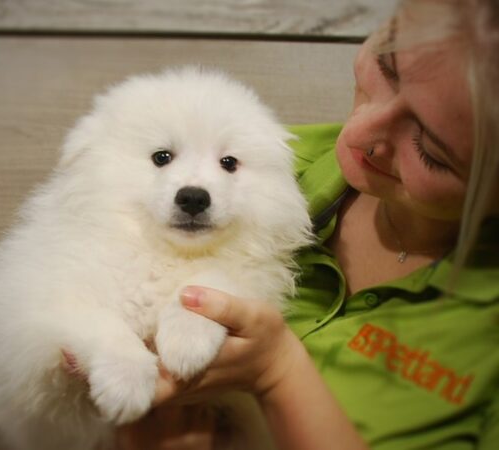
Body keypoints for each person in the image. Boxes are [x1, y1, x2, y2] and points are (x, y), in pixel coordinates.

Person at [96, 0, 499, 448]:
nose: (360, 134)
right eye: (387, 66)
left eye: (430, 151)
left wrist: (278, 372)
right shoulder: (258, 159)